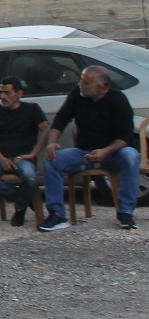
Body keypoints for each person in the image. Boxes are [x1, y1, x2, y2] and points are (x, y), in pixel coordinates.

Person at [39, 65, 140, 232]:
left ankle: (125, 212)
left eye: (86, 82)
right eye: (81, 80)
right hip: (84, 152)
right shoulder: (77, 95)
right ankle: (57, 214)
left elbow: (126, 136)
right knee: (52, 160)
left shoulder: (118, 100)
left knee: (131, 155)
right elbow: (60, 120)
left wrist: (105, 151)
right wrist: (52, 142)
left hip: (112, 153)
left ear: (100, 87)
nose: (80, 84)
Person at [0, 78, 48, 228]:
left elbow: (47, 129)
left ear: (19, 94)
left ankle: (20, 209)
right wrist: (1, 158)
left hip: (23, 157)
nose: (3, 96)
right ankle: (24, 199)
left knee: (30, 177)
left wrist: (34, 153)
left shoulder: (32, 109)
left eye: (7, 93)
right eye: (1, 92)